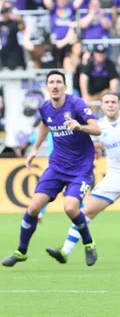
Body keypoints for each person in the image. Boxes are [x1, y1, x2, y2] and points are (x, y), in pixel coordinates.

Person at [2, 70, 101, 268]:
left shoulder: (76, 104)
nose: (55, 85)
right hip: (56, 167)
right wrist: (34, 149)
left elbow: (97, 128)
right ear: (47, 87)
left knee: (70, 208)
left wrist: (79, 127)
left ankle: (89, 244)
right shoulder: (45, 108)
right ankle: (21, 251)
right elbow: (44, 126)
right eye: (51, 82)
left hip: (80, 169)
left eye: (58, 82)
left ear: (65, 86)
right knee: (33, 207)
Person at [46, 92, 120, 264]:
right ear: (101, 106)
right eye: (107, 102)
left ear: (118, 105)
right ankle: (65, 251)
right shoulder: (99, 127)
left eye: (113, 102)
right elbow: (84, 141)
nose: (110, 105)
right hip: (115, 176)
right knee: (85, 212)